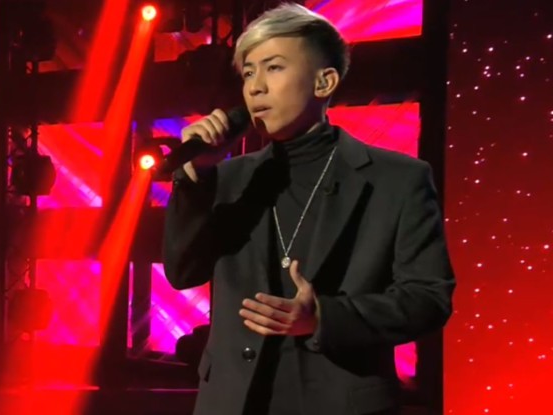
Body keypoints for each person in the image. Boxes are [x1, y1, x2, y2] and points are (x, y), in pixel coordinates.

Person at [162, 3, 456, 415]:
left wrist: (323, 317)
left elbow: (428, 299)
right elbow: (182, 273)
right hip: (233, 403)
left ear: (324, 81)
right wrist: (196, 179)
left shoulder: (397, 179)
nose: (255, 87)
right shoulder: (228, 178)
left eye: (274, 68)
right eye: (248, 73)